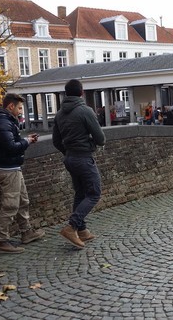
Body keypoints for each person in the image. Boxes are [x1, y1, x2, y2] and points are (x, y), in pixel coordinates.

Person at [0, 93, 45, 254]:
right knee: (11, 205)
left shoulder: (6, 121)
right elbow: (10, 147)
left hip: (14, 168)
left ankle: (26, 232)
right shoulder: (3, 123)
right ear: (10, 106)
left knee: (23, 200)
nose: (20, 111)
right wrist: (27, 141)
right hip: (8, 170)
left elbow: (10, 142)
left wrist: (25, 139)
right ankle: (2, 240)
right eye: (18, 108)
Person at [52, 79, 106, 248]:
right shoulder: (85, 111)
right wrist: (88, 144)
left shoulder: (59, 114)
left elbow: (56, 141)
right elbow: (101, 139)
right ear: (81, 92)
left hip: (69, 158)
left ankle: (81, 230)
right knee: (94, 193)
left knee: (80, 193)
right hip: (83, 157)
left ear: (66, 93)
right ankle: (72, 226)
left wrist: (67, 151)